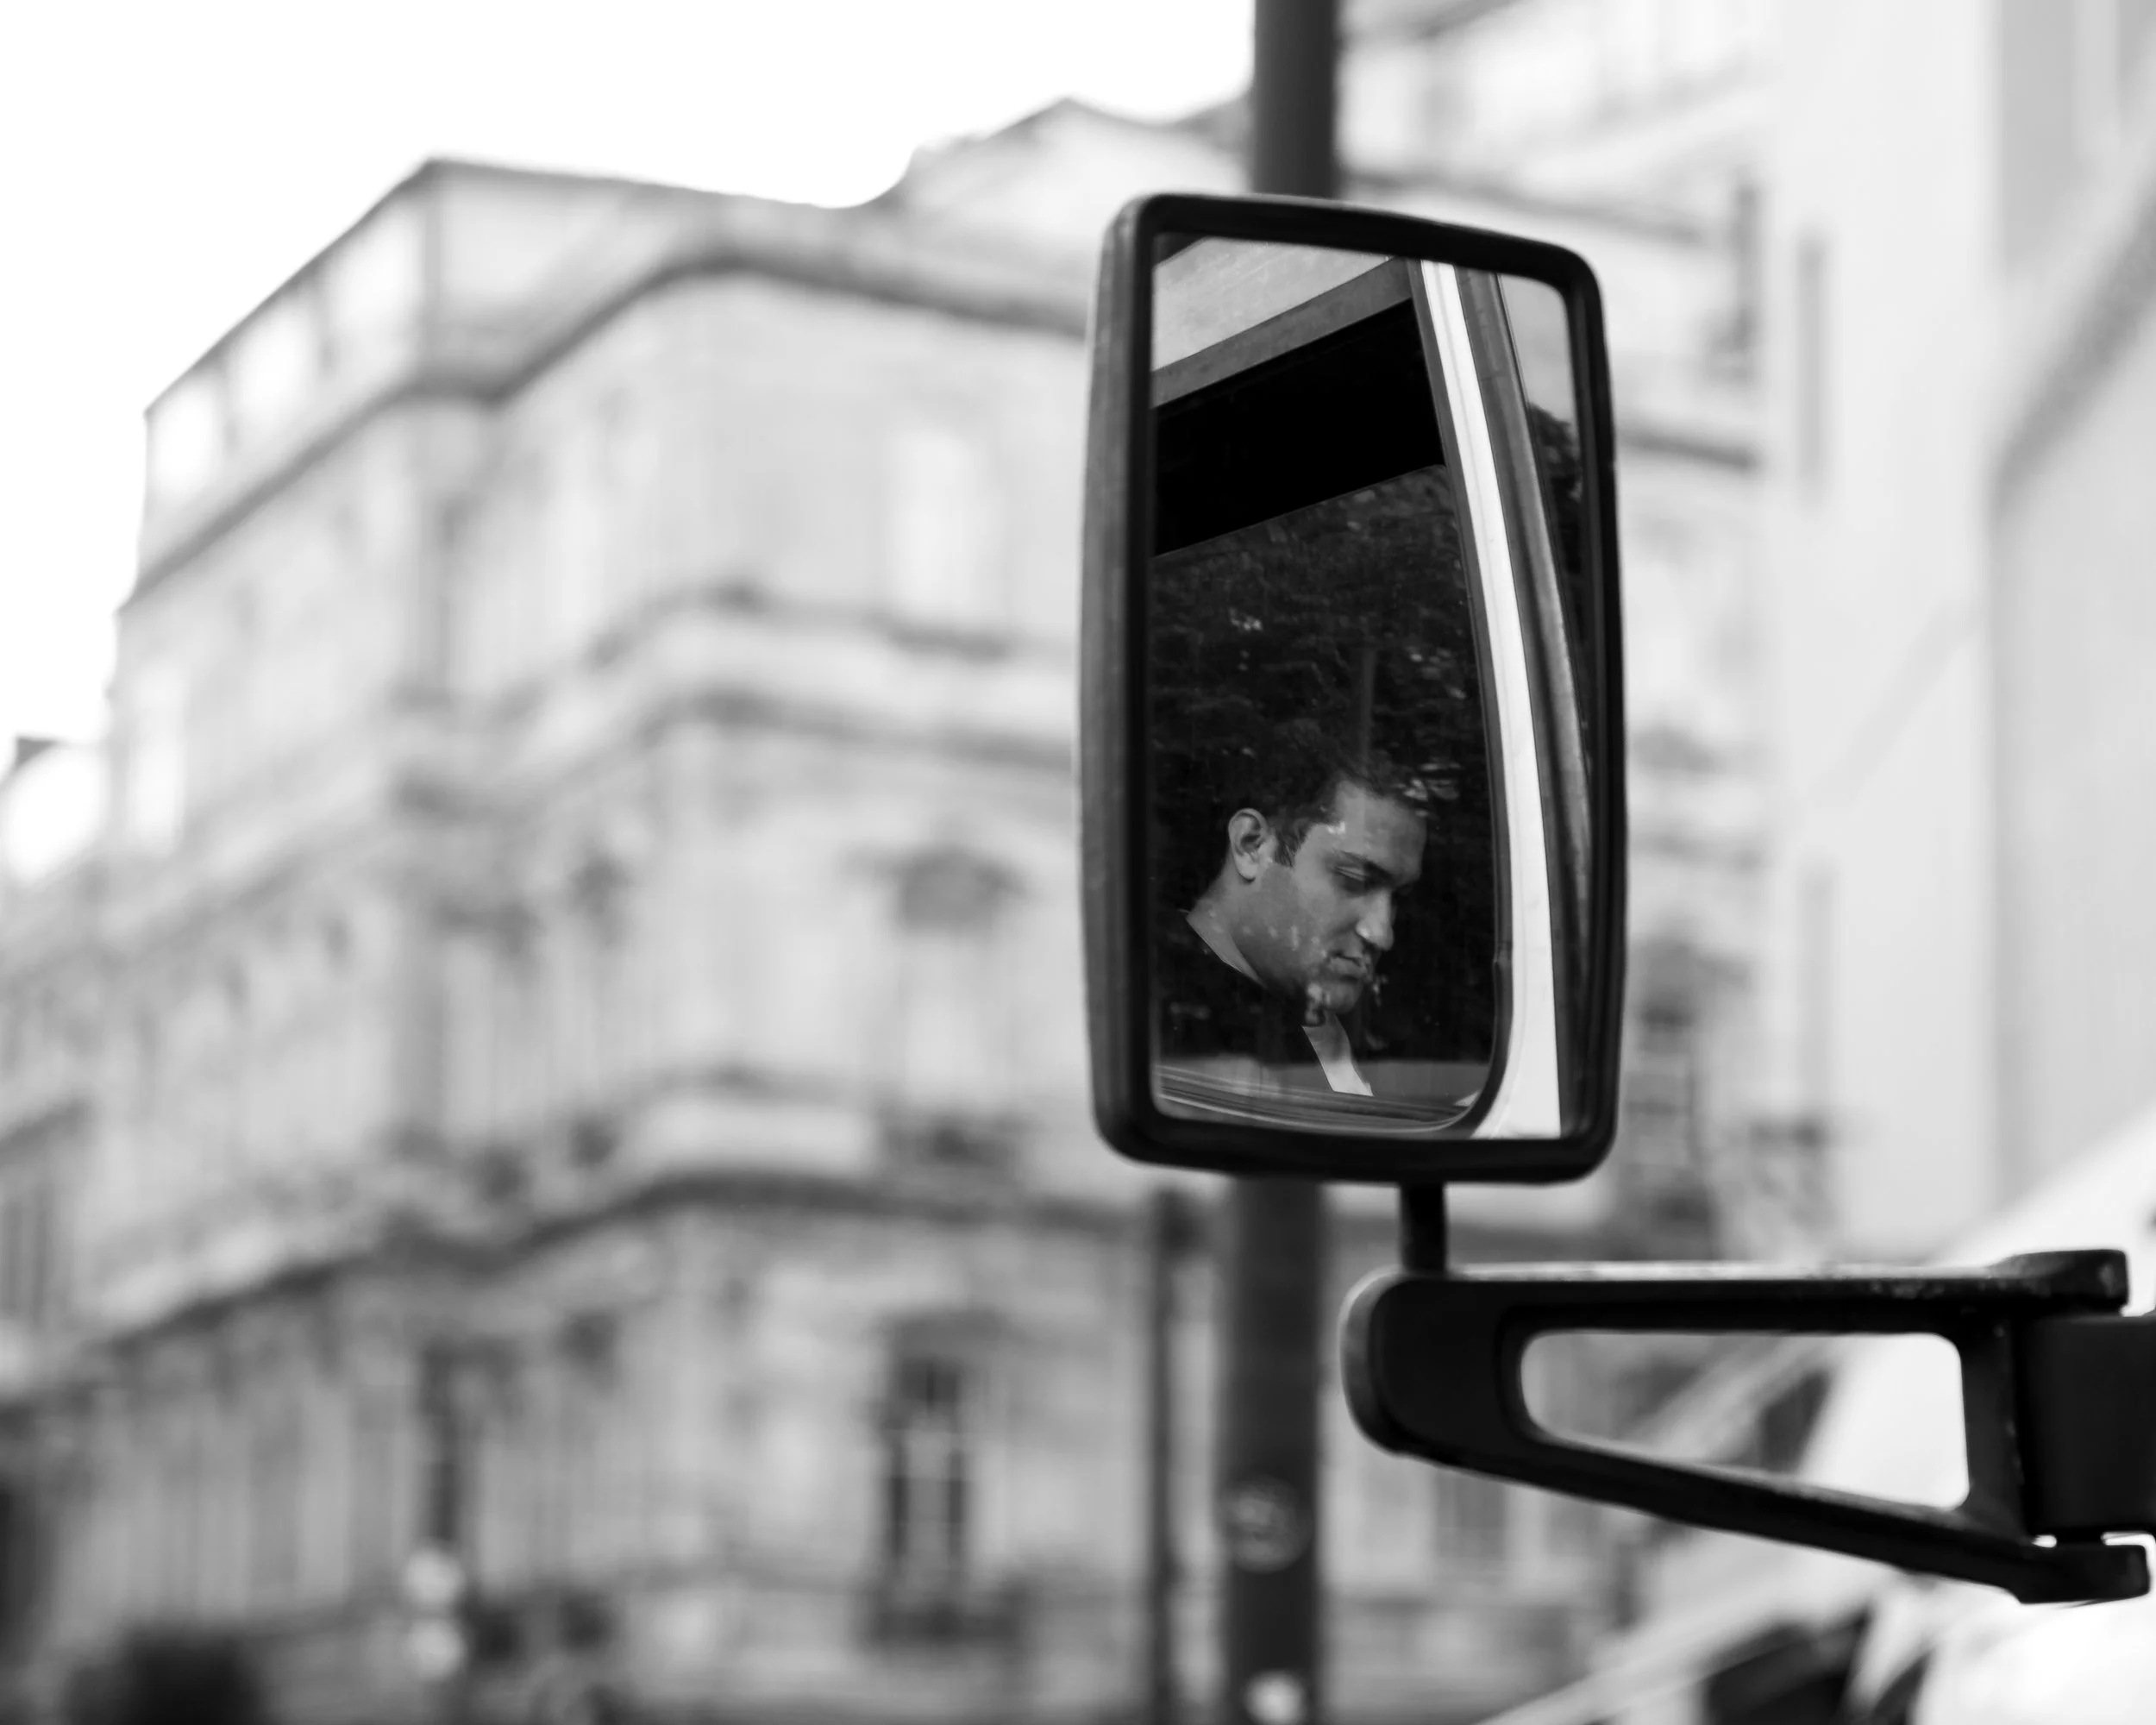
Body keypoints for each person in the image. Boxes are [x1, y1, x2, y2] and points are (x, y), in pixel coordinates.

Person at [1156, 722, 1427, 1102]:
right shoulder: (1168, 1025)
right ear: (1251, 846)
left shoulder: (1301, 1019)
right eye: (1354, 877)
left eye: (1398, 897)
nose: (1382, 933)